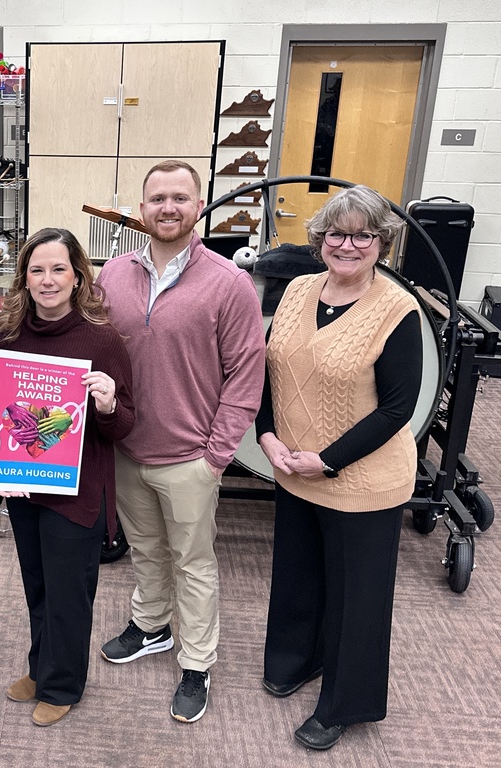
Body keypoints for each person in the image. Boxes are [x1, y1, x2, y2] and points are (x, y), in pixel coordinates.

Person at [96, 159, 266, 723]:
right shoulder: (113, 274)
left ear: (199, 206)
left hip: (191, 457)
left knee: (192, 562)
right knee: (145, 551)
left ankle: (197, 662)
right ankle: (151, 627)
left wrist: (216, 455)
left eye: (180, 198)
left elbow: (246, 374)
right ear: (140, 208)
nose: (167, 208)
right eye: (157, 198)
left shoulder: (229, 282)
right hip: (127, 448)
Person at [255, 185, 421, 751]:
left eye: (362, 235)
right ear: (319, 239)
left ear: (382, 243)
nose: (346, 245)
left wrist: (328, 460)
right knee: (299, 573)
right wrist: (268, 437)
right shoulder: (299, 289)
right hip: (293, 465)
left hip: (364, 479)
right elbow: (270, 369)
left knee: (358, 596)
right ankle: (297, 659)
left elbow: (399, 407)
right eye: (336, 233)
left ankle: (345, 703)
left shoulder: (397, 309)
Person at [0, 228, 135, 727]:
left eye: (58, 270)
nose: (47, 280)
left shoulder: (102, 338)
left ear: (77, 277)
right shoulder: (6, 335)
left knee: (69, 592)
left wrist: (109, 403)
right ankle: (40, 667)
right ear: (24, 279)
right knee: (37, 586)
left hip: (76, 494)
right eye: (37, 270)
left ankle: (63, 683)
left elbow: (125, 424)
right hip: (24, 485)